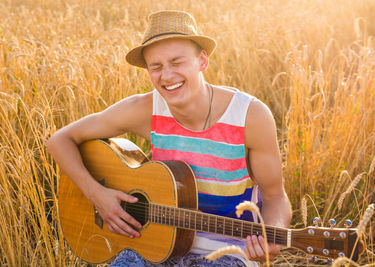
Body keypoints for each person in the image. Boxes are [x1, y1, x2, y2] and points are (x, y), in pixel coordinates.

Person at [47, 10, 291, 266]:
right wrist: (98, 195)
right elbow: (60, 140)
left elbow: (275, 197)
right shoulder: (144, 110)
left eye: (177, 62)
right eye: (156, 67)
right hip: (151, 242)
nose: (167, 76)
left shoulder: (250, 116)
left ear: (202, 61)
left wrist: (271, 236)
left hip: (229, 251)